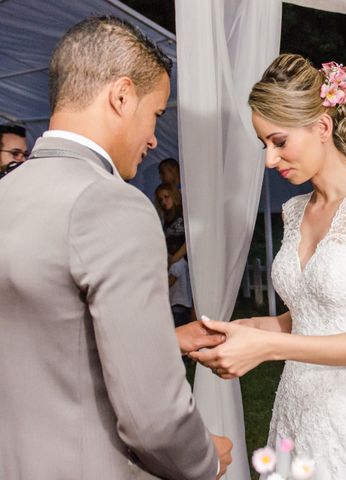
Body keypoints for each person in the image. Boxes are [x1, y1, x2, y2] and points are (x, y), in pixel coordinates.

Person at [0, 16, 231, 479]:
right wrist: (205, 459)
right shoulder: (111, 204)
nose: (151, 138)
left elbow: (44, 334)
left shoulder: (9, 191)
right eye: (156, 115)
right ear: (121, 95)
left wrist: (162, 339)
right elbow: (153, 418)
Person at [190, 54, 346, 479]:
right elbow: (304, 319)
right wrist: (239, 331)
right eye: (263, 144)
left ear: (322, 127)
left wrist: (269, 349)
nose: (269, 159)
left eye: (278, 141)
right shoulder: (295, 210)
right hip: (297, 411)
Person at [156, 182, 192, 327]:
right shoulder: (166, 219)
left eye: (166, 197)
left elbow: (188, 242)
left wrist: (174, 259)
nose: (164, 202)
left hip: (181, 263)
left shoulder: (184, 215)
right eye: (161, 200)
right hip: (171, 261)